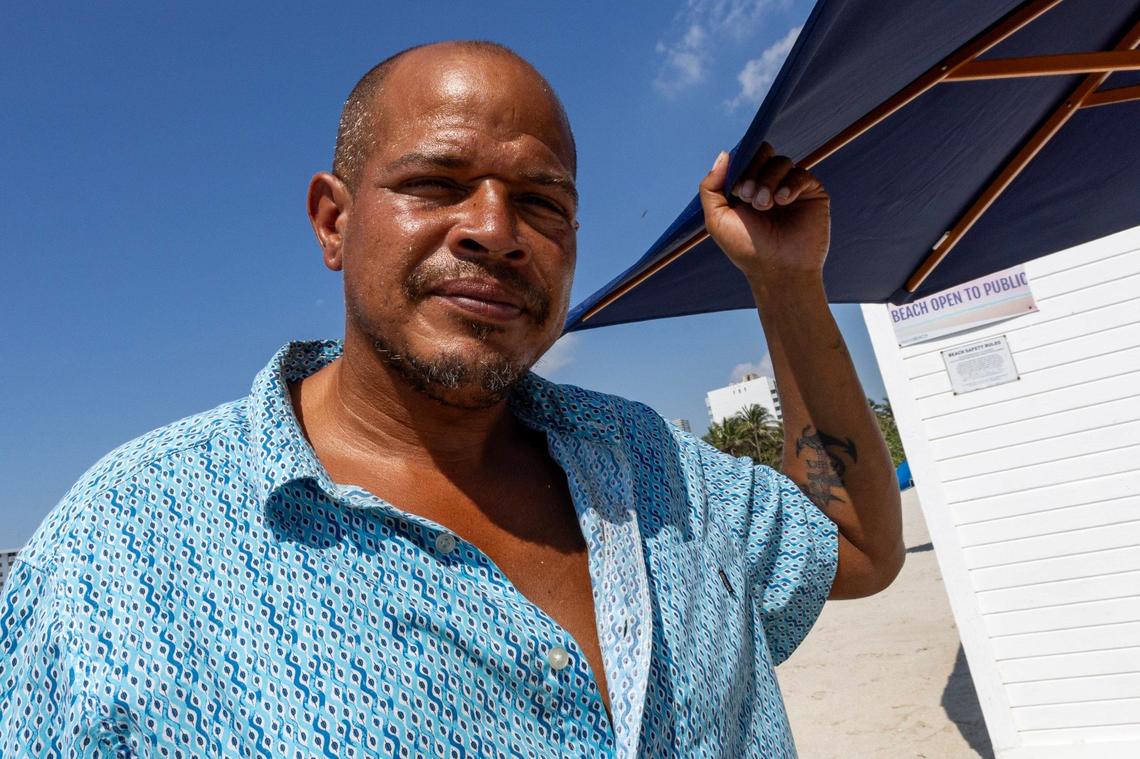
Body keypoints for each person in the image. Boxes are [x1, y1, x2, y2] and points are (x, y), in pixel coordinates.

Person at [0, 40, 903, 757]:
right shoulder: (123, 555)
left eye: (542, 202)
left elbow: (855, 547)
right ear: (333, 220)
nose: (496, 230)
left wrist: (785, 284)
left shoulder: (650, 466)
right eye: (435, 185)